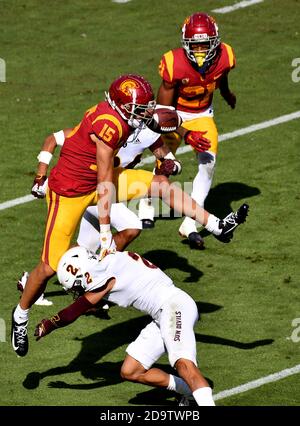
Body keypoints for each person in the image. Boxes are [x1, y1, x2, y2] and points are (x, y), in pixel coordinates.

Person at [11, 73, 248, 358]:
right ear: (121, 106)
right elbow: (104, 181)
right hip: (70, 191)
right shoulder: (109, 126)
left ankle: (215, 225)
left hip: (95, 180)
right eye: (138, 108)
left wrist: (179, 139)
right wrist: (105, 229)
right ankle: (20, 316)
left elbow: (160, 121)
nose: (143, 112)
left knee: (159, 185)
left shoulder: (122, 115)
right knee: (48, 268)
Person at [17, 122, 182, 302]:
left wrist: (171, 167)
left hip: (108, 191)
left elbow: (170, 162)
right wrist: (41, 176)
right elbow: (52, 139)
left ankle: (35, 281)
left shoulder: (146, 134)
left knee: (80, 250)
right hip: (92, 192)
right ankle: (96, 280)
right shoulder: (100, 130)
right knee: (131, 227)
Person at [34, 246, 216, 406]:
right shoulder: (108, 262)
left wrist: (49, 324)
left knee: (184, 365)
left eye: (77, 287)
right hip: (162, 314)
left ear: (84, 273)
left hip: (174, 307)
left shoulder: (102, 275)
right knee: (131, 371)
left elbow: (76, 310)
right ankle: (189, 392)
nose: (78, 292)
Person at [139, 12, 236, 249]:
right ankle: (147, 201)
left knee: (208, 163)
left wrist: (225, 93)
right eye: (196, 45)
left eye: (205, 44)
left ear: (215, 42)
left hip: (202, 115)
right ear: (186, 44)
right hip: (174, 115)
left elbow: (221, 75)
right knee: (166, 161)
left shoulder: (226, 56)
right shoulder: (174, 64)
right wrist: (185, 133)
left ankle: (190, 222)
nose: (201, 51)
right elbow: (162, 111)